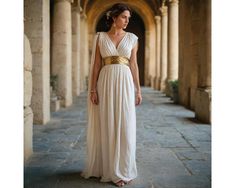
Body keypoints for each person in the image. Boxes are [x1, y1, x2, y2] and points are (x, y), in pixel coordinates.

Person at [81, 3, 142, 187]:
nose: (126, 21)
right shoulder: (100, 37)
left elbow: (133, 65)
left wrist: (138, 89)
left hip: (124, 83)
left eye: (128, 18)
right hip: (105, 83)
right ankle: (107, 168)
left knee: (125, 124)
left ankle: (122, 169)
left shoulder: (132, 38)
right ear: (114, 17)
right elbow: (96, 66)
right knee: (106, 122)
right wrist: (92, 89)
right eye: (124, 17)